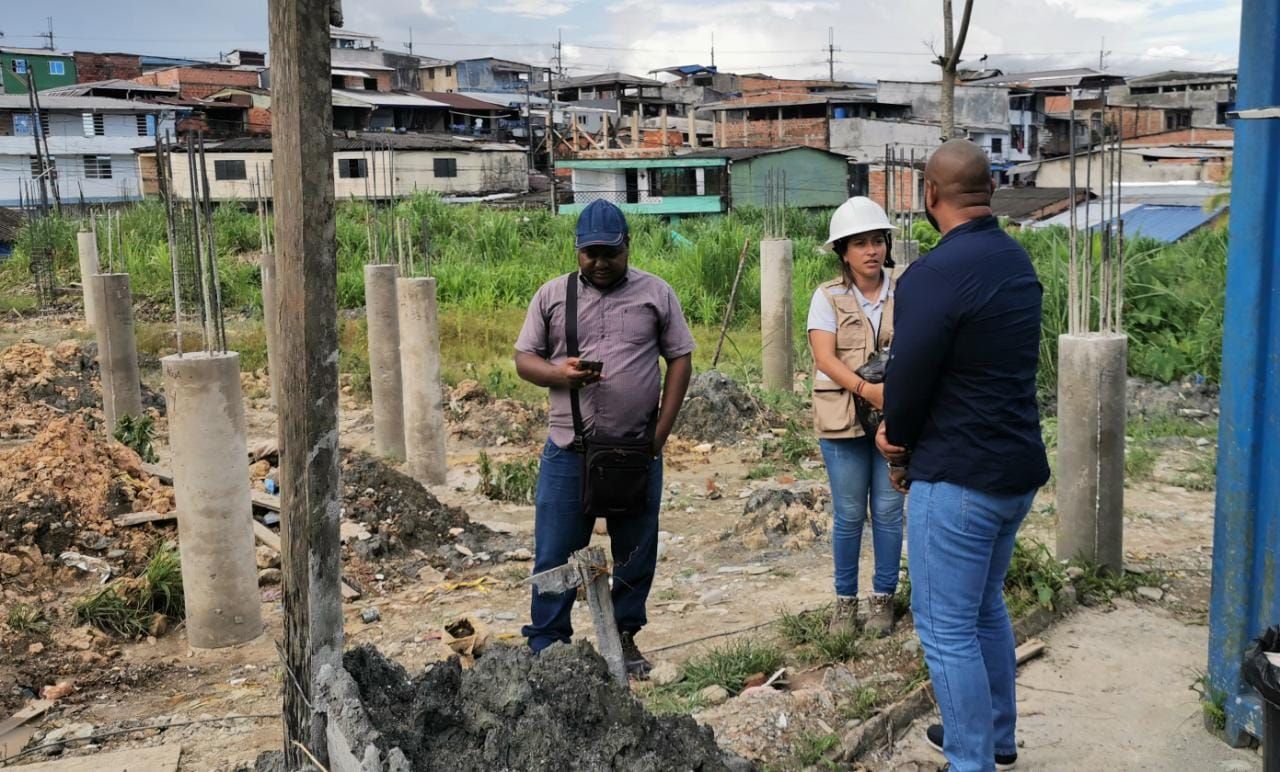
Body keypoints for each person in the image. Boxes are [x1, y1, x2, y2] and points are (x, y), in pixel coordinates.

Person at [877, 139, 1050, 771]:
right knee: (983, 608)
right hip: (1014, 471)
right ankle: (995, 736)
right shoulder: (1015, 260)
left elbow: (908, 381)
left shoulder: (934, 274)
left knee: (945, 627)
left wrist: (894, 436)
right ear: (990, 191)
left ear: (929, 194)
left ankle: (971, 760)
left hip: (959, 480)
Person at [514, 199, 695, 677]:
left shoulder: (656, 294)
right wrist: (558, 373)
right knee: (554, 551)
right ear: (576, 250)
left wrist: (660, 434)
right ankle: (549, 645)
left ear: (627, 248)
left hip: (635, 450)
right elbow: (523, 359)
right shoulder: (552, 296)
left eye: (608, 253)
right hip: (568, 450)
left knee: (635, 550)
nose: (599, 262)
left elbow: (681, 358)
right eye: (589, 253)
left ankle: (624, 635)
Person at [806, 196, 905, 638]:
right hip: (842, 419)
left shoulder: (907, 290)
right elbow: (825, 358)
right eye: (859, 243)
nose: (871, 251)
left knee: (888, 510)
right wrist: (869, 390)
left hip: (895, 418)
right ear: (842, 252)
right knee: (848, 514)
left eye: (877, 241)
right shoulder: (827, 297)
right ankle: (844, 601)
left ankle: (884, 597)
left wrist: (892, 401)